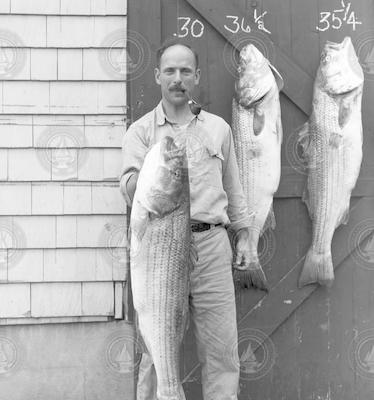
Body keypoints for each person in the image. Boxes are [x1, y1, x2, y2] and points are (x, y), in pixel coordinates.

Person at [120, 38, 265, 400]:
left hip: (211, 246)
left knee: (221, 348)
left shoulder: (218, 129)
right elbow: (128, 187)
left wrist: (245, 234)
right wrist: (152, 175)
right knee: (157, 349)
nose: (177, 78)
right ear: (157, 76)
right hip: (158, 247)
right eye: (170, 70)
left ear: (197, 76)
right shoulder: (141, 132)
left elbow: (234, 188)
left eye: (186, 71)